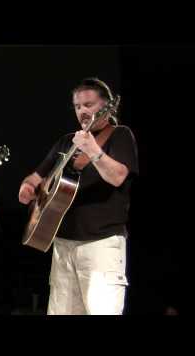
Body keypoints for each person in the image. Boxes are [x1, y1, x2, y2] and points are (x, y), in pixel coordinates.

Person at [18, 78, 139, 315]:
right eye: (77, 106)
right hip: (63, 246)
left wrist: (93, 150)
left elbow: (118, 176)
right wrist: (27, 188)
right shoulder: (66, 141)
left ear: (107, 107)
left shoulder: (120, 135)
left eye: (88, 105)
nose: (82, 111)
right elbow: (35, 177)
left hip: (101, 245)